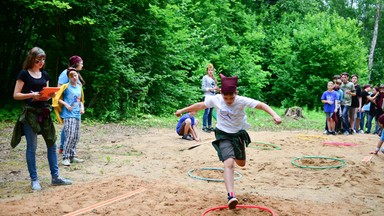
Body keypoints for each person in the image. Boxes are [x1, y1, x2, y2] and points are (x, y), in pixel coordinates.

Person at [174, 73, 282, 209]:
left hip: (237, 135)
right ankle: (231, 195)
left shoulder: (242, 100)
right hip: (222, 134)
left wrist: (275, 114)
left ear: (236, 93)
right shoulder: (217, 99)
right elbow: (200, 105)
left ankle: (234, 157)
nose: (229, 100)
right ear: (222, 94)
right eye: (226, 97)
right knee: (229, 163)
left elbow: (261, 105)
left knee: (241, 164)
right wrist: (182, 110)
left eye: (231, 97)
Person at [11, 47, 72, 191]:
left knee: (52, 144)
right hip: (30, 114)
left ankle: (56, 177)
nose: (41, 62)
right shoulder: (24, 74)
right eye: (38, 60)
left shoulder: (45, 74)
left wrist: (49, 95)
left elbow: (46, 93)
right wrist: (32, 95)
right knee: (32, 147)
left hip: (44, 112)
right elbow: (16, 94)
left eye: (43, 60)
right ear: (32, 59)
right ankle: (34, 180)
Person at [56, 69, 85, 166]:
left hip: (77, 114)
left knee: (76, 136)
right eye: (72, 76)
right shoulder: (66, 87)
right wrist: (66, 105)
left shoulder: (78, 87)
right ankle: (65, 157)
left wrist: (81, 107)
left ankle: (72, 156)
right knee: (70, 135)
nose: (74, 77)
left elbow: (78, 99)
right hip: (68, 115)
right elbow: (57, 98)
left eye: (75, 75)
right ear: (69, 77)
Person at [201, 63, 220, 133]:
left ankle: (209, 126)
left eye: (211, 70)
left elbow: (214, 88)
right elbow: (203, 88)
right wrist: (211, 89)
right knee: (207, 111)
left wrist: (217, 89)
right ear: (207, 71)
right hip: (207, 96)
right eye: (209, 70)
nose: (210, 71)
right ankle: (204, 126)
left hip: (213, 96)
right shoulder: (205, 77)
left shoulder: (213, 78)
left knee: (211, 112)